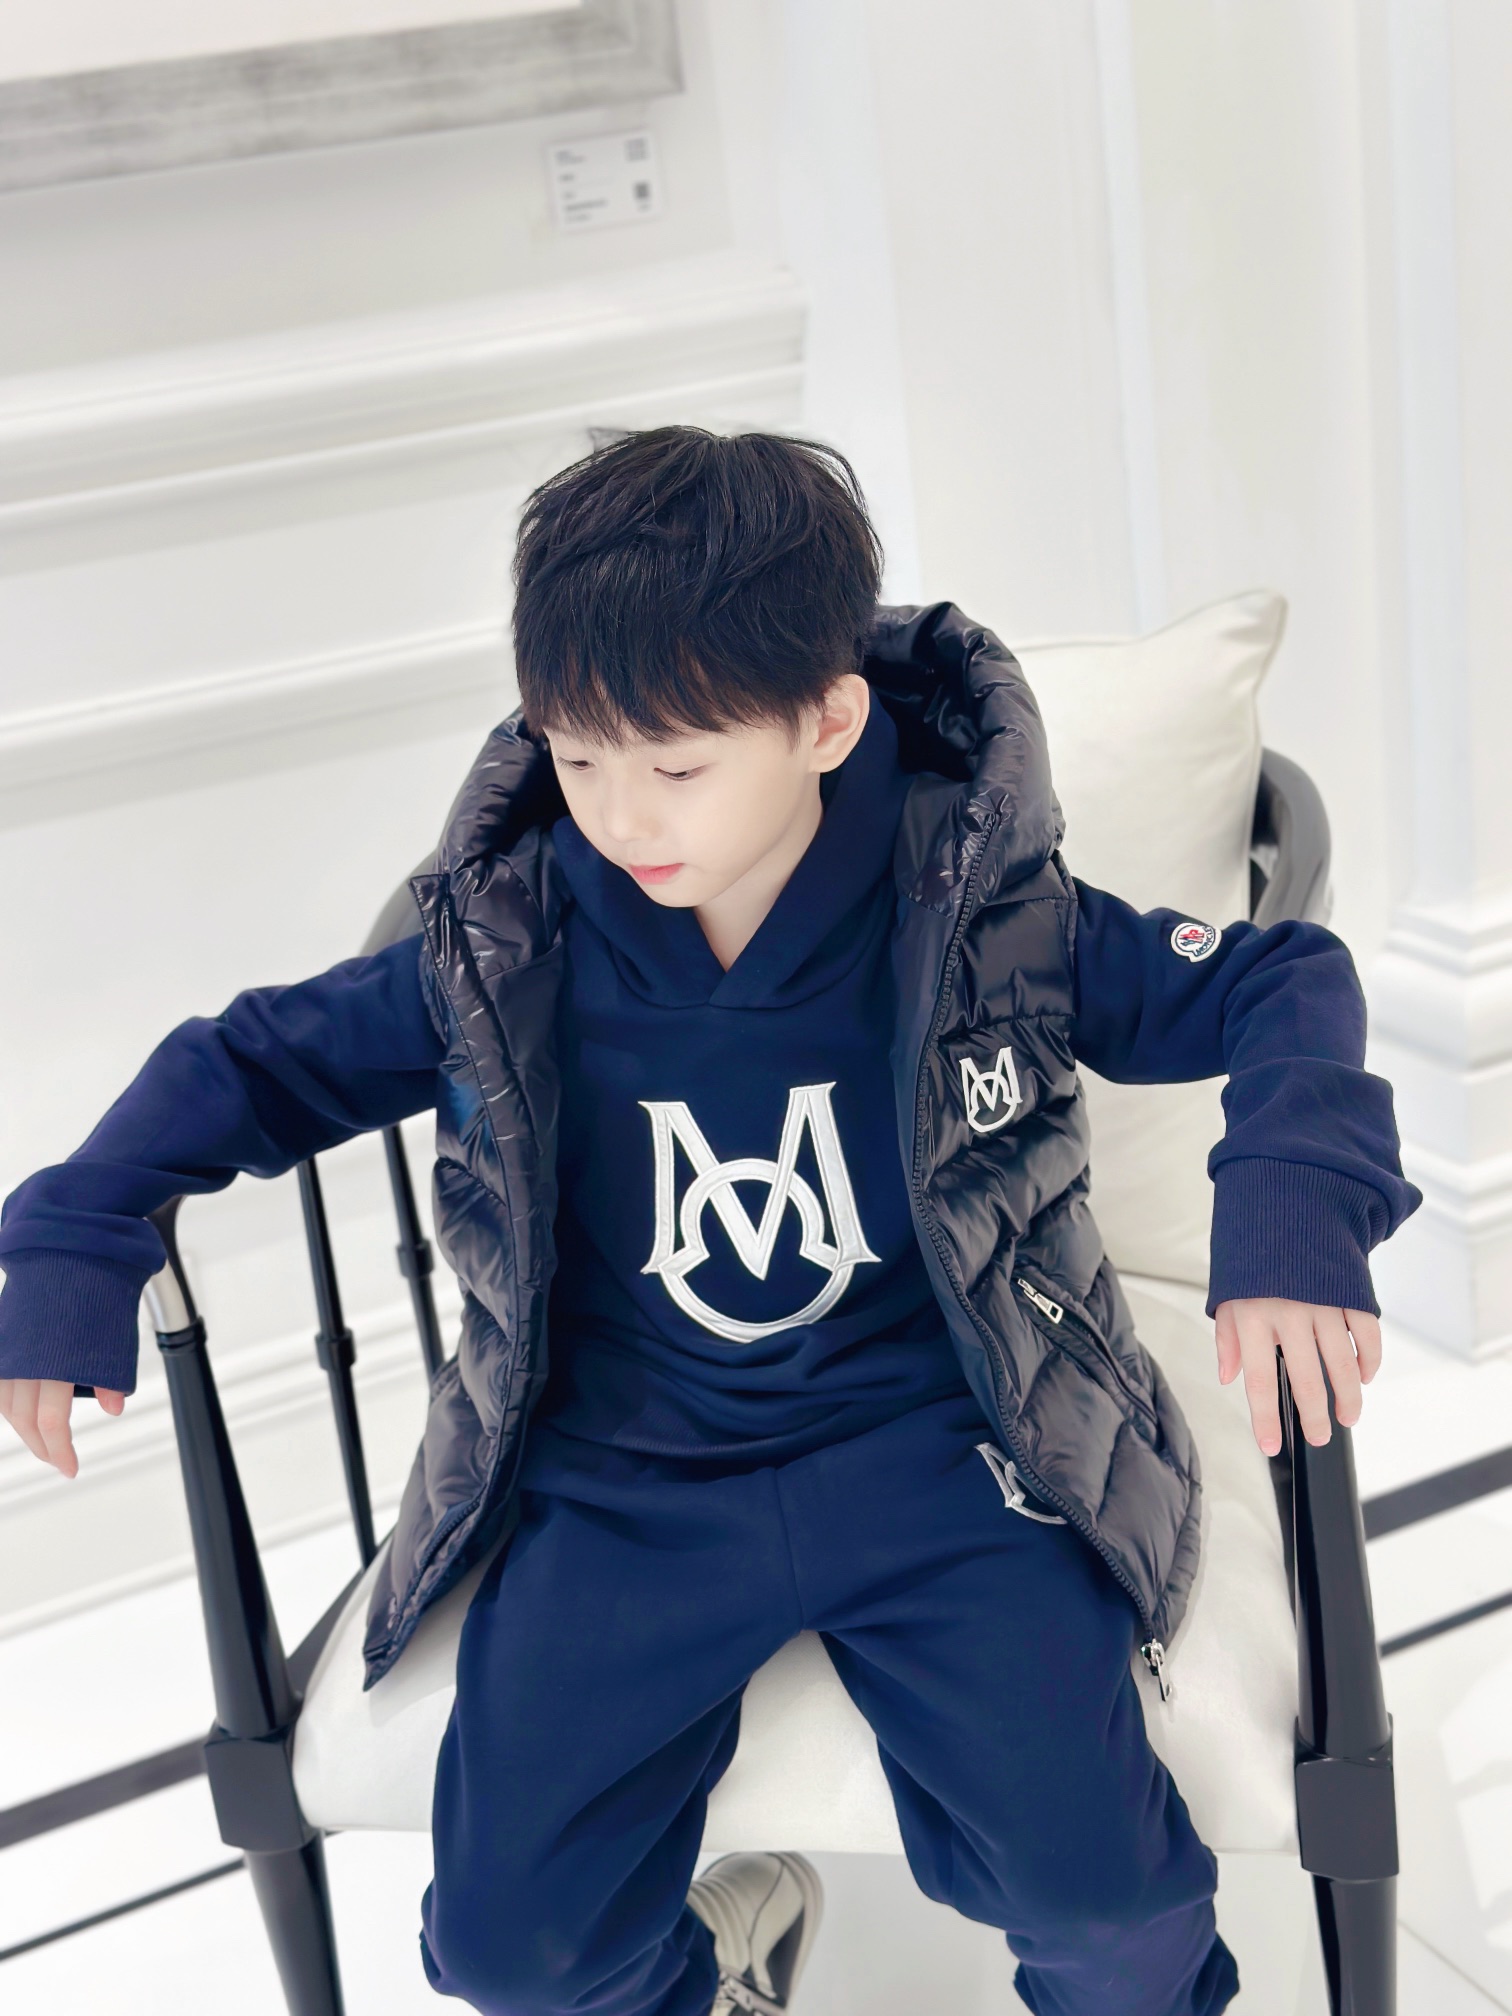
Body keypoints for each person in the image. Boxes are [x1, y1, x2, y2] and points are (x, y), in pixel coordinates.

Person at [0, 427, 1420, 2016]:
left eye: (676, 768)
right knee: (511, 1947)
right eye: (578, 758)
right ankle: (717, 1969)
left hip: (941, 1446)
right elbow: (251, 1064)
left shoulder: (974, 910)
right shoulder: (511, 940)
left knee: (1108, 1899)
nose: (622, 814)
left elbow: (1284, 982)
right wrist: (73, 1232)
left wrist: (1292, 1200)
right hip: (629, 1471)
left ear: (828, 721)